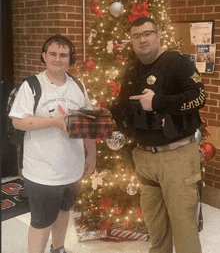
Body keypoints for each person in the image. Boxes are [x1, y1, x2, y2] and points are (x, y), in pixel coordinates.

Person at [110, 17, 205, 253]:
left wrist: (158, 102)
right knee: (155, 226)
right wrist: (105, 113)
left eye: (147, 33)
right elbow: (123, 105)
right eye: (136, 36)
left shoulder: (177, 62)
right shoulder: (132, 69)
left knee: (184, 226)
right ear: (131, 40)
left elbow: (200, 97)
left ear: (158, 35)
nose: (142, 39)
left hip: (177, 156)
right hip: (145, 158)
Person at [9, 34, 96, 253]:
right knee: (41, 221)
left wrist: (92, 154)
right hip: (42, 172)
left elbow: (88, 121)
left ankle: (58, 248)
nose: (58, 59)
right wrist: (55, 123)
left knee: (64, 211)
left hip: (71, 169)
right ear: (44, 56)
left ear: (70, 58)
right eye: (53, 54)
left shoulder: (78, 84)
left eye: (64, 55)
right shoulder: (32, 86)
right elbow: (18, 121)